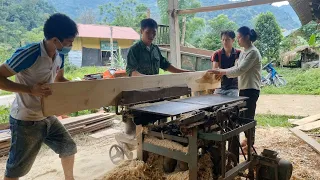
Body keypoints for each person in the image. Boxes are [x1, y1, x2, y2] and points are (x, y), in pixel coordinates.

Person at [0, 13, 78, 180]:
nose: (71, 45)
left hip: (47, 114)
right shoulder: (29, 53)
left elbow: (59, 79)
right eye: (69, 41)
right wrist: (30, 90)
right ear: (56, 40)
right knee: (16, 169)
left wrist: (77, 87)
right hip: (26, 120)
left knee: (68, 146)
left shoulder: (60, 55)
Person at [207, 26, 262, 152]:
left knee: (248, 117)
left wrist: (222, 71)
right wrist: (222, 71)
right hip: (243, 88)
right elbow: (235, 67)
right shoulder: (244, 52)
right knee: (242, 116)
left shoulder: (253, 52)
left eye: (238, 37)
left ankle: (250, 144)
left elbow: (239, 70)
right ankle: (248, 140)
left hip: (251, 89)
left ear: (247, 37)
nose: (238, 40)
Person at [126, 18, 191, 76]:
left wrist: (186, 72)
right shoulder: (134, 50)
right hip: (139, 87)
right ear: (141, 31)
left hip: (155, 86)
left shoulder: (155, 49)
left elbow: (165, 65)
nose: (151, 36)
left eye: (154, 33)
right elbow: (132, 72)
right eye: (148, 32)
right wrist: (148, 79)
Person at [211, 30, 241, 97]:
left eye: (227, 40)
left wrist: (221, 71)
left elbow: (237, 68)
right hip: (219, 87)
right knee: (215, 106)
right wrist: (218, 71)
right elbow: (215, 70)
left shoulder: (239, 53)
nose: (225, 42)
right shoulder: (217, 54)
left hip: (234, 87)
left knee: (232, 106)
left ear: (233, 40)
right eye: (223, 40)